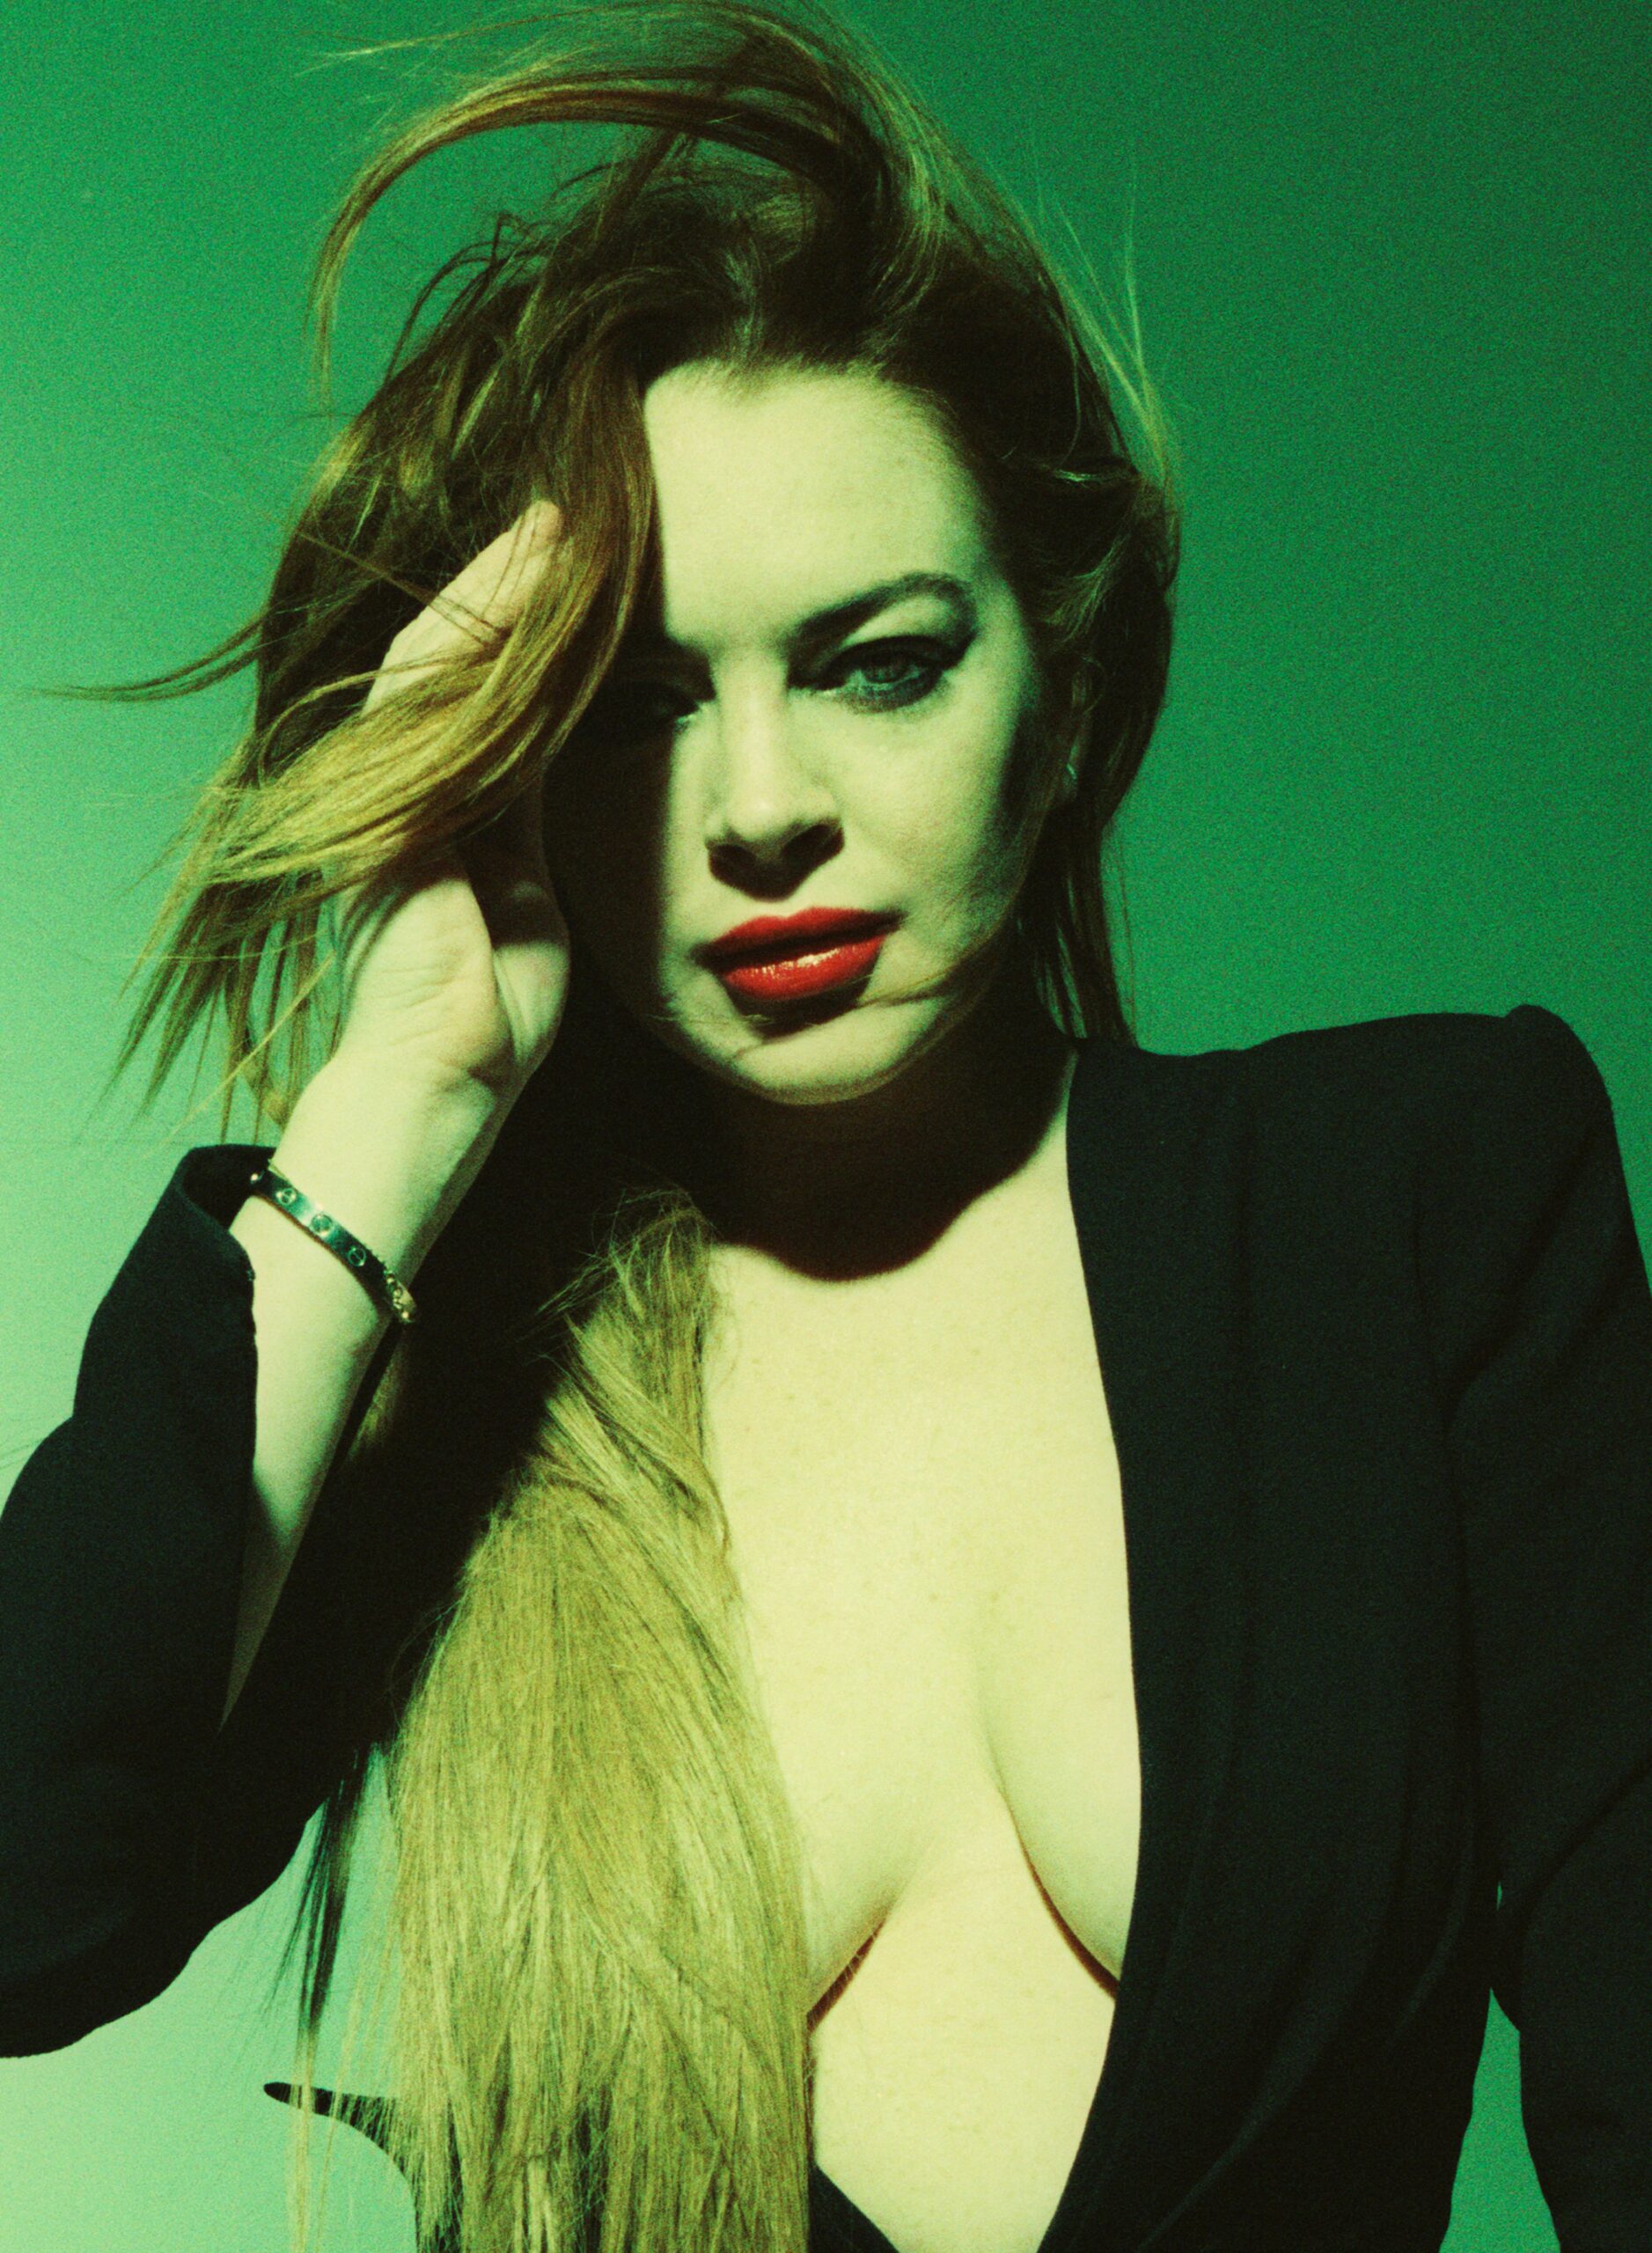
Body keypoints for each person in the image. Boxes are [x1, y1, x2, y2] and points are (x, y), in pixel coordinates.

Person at [2, 3, 1648, 2250]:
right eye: (640, 708)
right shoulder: (479, 1375)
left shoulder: (1417, 1200)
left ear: (1064, 686)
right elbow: (27, 1900)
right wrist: (399, 1096)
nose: (762, 807)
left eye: (880, 660)